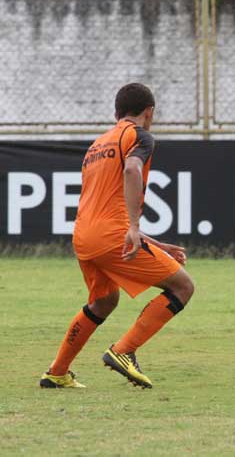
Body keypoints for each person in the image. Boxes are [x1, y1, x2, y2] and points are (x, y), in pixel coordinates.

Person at [39, 83, 195, 389]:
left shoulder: (97, 145)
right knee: (183, 286)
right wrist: (135, 228)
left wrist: (151, 241)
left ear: (116, 113)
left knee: (103, 301)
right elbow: (132, 171)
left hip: (84, 236)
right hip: (111, 235)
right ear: (149, 112)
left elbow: (104, 207)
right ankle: (124, 351)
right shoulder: (139, 136)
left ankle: (57, 372)